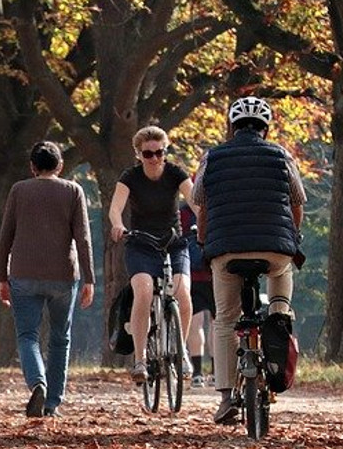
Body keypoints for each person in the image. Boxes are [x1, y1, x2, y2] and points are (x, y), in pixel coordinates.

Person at [192, 96, 306, 425]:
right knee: (282, 283)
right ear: (266, 127)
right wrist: (292, 235)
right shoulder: (282, 155)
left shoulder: (211, 157)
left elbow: (201, 204)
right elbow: (297, 202)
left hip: (226, 249)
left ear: (232, 126)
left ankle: (226, 398)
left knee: (225, 320)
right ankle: (278, 318)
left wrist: (203, 239)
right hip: (274, 249)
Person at [0, 141, 95, 417]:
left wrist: (2, 277)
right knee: (60, 338)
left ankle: (37, 382)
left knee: (27, 335)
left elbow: (5, 238)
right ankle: (52, 402)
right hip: (63, 274)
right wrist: (89, 278)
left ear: (32, 167)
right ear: (60, 166)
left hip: (24, 274)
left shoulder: (19, 190)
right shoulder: (73, 190)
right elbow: (83, 239)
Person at [108, 125, 196, 384]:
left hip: (173, 242)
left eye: (160, 152)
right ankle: (140, 359)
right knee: (144, 290)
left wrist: (204, 222)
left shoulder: (175, 173)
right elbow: (116, 208)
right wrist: (117, 225)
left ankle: (181, 353)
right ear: (138, 155)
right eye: (148, 154)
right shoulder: (130, 177)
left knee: (183, 293)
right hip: (141, 243)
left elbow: (195, 200)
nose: (155, 158)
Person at [179, 203, 215, 387]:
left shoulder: (184, 211)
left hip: (192, 274)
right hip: (215, 271)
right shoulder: (216, 203)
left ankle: (198, 373)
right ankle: (218, 372)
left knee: (196, 323)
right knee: (219, 323)